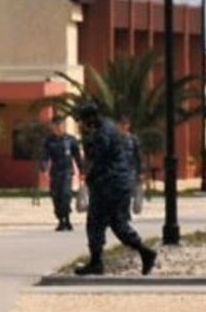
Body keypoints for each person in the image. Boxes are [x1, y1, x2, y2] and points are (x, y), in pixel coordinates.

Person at [76, 102, 158, 277]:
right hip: (117, 183)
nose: (79, 125)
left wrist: (87, 140)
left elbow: (96, 158)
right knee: (118, 224)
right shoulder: (107, 127)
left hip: (109, 184)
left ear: (89, 119)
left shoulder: (101, 134)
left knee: (95, 222)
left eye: (81, 121)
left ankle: (97, 262)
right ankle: (145, 253)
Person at [39, 117, 82, 231]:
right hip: (55, 173)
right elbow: (45, 156)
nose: (58, 127)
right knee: (56, 198)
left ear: (64, 126)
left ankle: (66, 220)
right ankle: (61, 220)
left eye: (61, 125)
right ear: (53, 127)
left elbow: (77, 157)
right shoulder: (49, 141)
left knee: (65, 195)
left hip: (67, 172)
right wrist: (43, 167)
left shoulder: (71, 140)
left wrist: (82, 171)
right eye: (56, 125)